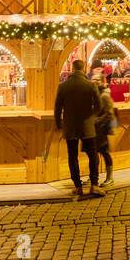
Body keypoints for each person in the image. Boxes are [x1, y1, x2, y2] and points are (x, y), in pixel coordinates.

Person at [54, 59, 103, 198]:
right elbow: (99, 106)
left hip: (70, 126)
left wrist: (59, 124)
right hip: (87, 125)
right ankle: (94, 185)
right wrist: (91, 116)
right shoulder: (90, 85)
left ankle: (78, 187)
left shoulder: (63, 86)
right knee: (93, 155)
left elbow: (57, 108)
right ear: (83, 69)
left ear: (72, 68)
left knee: (72, 156)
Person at [94, 76, 118, 187]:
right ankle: (93, 177)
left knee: (104, 152)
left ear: (102, 82)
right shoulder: (95, 94)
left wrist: (97, 120)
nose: (95, 82)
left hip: (102, 129)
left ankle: (110, 177)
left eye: (97, 80)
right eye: (93, 80)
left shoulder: (104, 95)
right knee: (93, 154)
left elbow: (109, 113)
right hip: (95, 128)